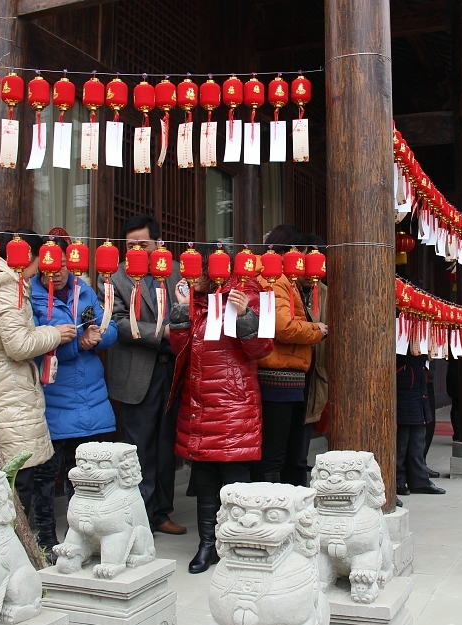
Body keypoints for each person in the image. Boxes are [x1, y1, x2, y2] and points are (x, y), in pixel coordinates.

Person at [0, 229, 77, 513]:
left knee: (2, 469)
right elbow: (18, 346)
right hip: (9, 385)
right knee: (19, 472)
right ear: (25, 256)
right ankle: (15, 535)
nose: (39, 270)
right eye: (38, 261)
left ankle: (5, 532)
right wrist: (54, 334)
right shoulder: (7, 286)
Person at [169, 244, 273, 573]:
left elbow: (262, 348)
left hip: (232, 401)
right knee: (204, 478)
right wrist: (181, 310)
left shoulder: (246, 292)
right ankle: (207, 544)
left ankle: (238, 542)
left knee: (234, 479)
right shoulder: (195, 300)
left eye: (196, 270)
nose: (190, 276)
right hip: (199, 400)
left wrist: (244, 316)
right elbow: (178, 348)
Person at [30, 233, 119, 556]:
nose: (56, 273)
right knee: (46, 475)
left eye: (63, 265)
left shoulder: (85, 290)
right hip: (53, 395)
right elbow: (30, 347)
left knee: (82, 475)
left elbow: (110, 326)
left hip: (90, 396)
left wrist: (98, 336)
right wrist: (74, 345)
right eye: (49, 267)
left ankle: (78, 538)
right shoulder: (31, 297)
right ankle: (45, 539)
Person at [105, 216, 186, 535]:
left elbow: (190, 310)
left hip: (171, 369)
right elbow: (117, 320)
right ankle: (139, 516)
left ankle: (162, 513)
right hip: (137, 371)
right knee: (139, 447)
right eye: (131, 245)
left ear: (159, 243)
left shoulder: (178, 270)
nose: (137, 250)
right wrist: (160, 332)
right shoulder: (115, 275)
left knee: (166, 445)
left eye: (144, 244)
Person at [253, 225, 327, 486]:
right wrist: (317, 330)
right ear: (288, 252)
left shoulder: (284, 280)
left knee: (285, 450)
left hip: (287, 373)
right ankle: (273, 501)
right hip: (277, 376)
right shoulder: (274, 280)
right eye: (301, 255)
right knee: (276, 452)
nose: (303, 263)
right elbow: (282, 327)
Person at [396, 351, 446, 495]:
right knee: (402, 440)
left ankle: (419, 480)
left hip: (418, 380)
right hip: (405, 375)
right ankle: (399, 480)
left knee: (418, 439)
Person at [299, 233, 328, 474]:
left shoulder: (326, 294)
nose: (311, 273)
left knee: (302, 442)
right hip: (290, 372)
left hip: (315, 375)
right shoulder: (287, 289)